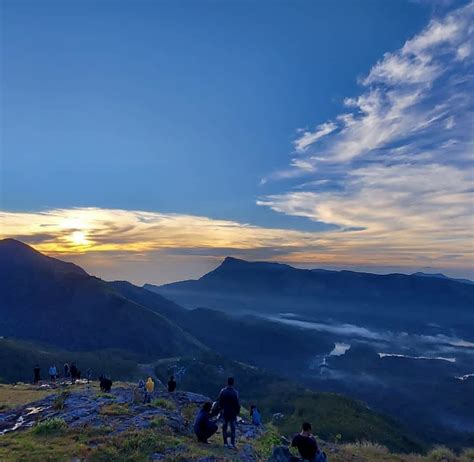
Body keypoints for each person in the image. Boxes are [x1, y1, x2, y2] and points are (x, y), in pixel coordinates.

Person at [218, 377, 240, 449]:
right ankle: (232, 443)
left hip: (225, 412)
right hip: (233, 413)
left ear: (227, 382)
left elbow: (220, 402)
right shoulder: (235, 392)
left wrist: (221, 410)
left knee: (224, 427)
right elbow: (237, 404)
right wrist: (237, 412)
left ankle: (225, 443)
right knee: (233, 428)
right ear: (233, 383)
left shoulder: (222, 391)